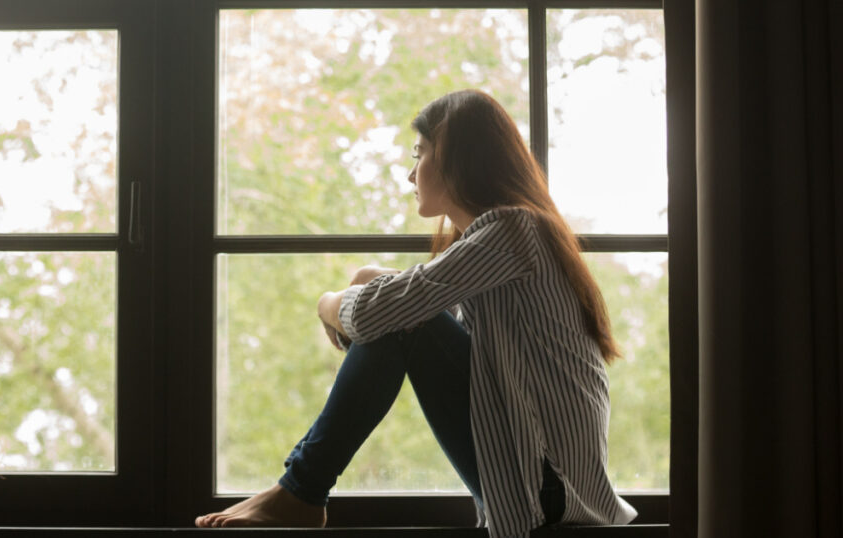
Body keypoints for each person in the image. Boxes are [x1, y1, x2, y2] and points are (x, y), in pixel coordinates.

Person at [195, 89, 638, 536]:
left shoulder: (514, 230)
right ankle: (299, 492)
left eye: (419, 154)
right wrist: (372, 276)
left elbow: (385, 314)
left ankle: (301, 491)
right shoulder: (510, 241)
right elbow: (418, 297)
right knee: (401, 311)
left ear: (455, 158)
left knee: (403, 320)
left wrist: (326, 304)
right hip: (542, 486)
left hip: (548, 491)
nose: (410, 175)